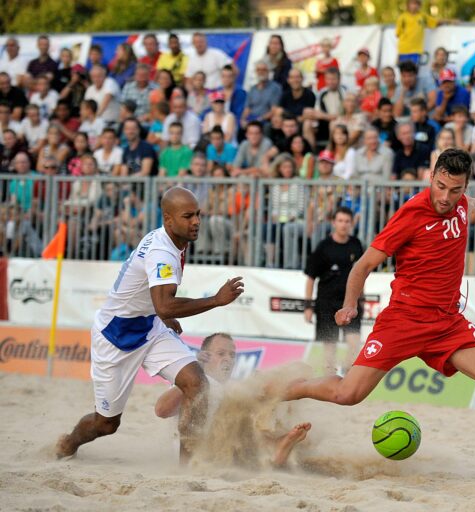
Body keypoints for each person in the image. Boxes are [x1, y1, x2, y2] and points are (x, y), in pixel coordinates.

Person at [285, 148, 475, 488]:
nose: (445, 197)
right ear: (432, 177)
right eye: (440, 186)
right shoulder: (411, 213)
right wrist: (350, 305)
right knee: (348, 395)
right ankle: (285, 390)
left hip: (447, 322)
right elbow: (363, 265)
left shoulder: (463, 203)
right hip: (404, 319)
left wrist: (465, 201)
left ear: (465, 186)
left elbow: (468, 205)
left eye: (454, 190)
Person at [55, 186, 246, 462]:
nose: (196, 222)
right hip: (115, 337)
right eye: (188, 216)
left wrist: (164, 315)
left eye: (198, 215)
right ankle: (67, 444)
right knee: (106, 424)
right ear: (168, 219)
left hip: (149, 327)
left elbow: (153, 298)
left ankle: (186, 468)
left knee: (196, 384)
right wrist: (215, 300)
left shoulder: (174, 239)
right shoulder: (162, 252)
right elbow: (165, 304)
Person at [154, 332, 311, 467]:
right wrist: (196, 371)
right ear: (205, 356)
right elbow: (162, 410)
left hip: (227, 451)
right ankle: (276, 450)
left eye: (232, 355)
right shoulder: (192, 383)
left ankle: (277, 446)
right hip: (194, 456)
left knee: (258, 408)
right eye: (221, 354)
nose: (228, 359)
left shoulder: (233, 387)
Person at [304, 207, 364, 376]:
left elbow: (360, 273)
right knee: (329, 346)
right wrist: (308, 306)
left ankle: (347, 378)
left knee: (354, 343)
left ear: (351, 224)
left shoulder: (356, 244)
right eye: (340, 221)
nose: (343, 225)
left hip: (350, 302)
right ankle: (329, 380)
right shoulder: (324, 247)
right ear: (333, 223)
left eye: (347, 221)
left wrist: (361, 298)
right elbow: (310, 278)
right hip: (326, 302)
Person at [395, 0, 439, 65]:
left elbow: (435, 22)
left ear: (420, 6)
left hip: (416, 50)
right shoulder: (402, 17)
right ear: (408, 5)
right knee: (403, 70)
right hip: (404, 50)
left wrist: (450, 21)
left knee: (413, 69)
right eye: (412, 3)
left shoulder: (423, 16)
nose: (414, 6)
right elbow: (397, 34)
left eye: (416, 4)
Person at [242, 60, 282, 127]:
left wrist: (260, 119)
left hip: (266, 121)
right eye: (258, 70)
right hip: (252, 119)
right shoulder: (252, 89)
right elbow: (247, 108)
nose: (261, 72)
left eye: (264, 70)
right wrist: (243, 119)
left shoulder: (275, 88)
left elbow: (274, 110)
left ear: (268, 71)